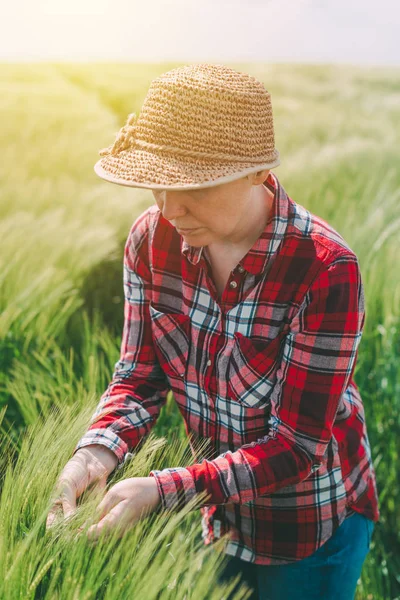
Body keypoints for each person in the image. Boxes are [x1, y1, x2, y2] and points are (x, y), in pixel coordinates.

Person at [46, 63, 380, 599]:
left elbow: (296, 447)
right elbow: (139, 376)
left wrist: (163, 490)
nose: (169, 206)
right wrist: (96, 453)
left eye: (194, 185)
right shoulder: (150, 241)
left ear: (256, 173)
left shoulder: (325, 269)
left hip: (308, 523)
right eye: (158, 181)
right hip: (216, 518)